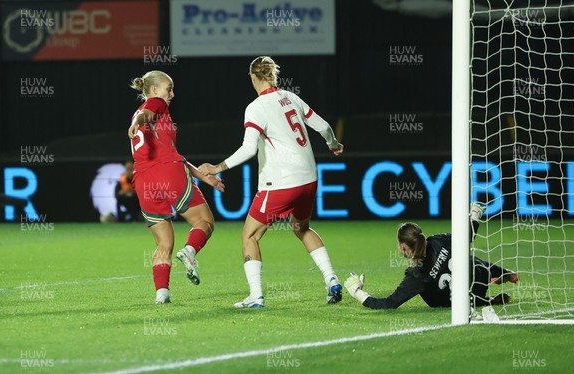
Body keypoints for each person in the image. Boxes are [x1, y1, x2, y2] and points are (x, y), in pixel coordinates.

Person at [198, 56, 344, 308]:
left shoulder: (256, 107)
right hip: (308, 179)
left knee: (249, 236)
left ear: (253, 78)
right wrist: (333, 144)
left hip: (280, 183)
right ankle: (331, 280)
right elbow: (323, 126)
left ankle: (256, 296)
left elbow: (248, 149)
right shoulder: (291, 97)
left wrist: (217, 167)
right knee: (301, 228)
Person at [128, 70, 225, 304]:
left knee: (163, 243)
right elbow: (149, 113)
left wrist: (202, 175)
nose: (172, 94)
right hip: (168, 174)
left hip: (144, 181)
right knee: (204, 222)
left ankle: (162, 292)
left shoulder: (138, 113)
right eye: (168, 88)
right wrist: (141, 121)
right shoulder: (156, 103)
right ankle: (190, 251)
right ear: (153, 90)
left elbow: (169, 152)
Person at [344, 203, 519, 310]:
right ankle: (504, 273)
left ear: (403, 247)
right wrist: (474, 214)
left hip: (469, 300)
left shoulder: (416, 276)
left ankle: (490, 299)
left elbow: (389, 303)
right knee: (468, 258)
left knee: (456, 275)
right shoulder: (436, 241)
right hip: (478, 280)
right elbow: (468, 236)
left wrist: (357, 292)